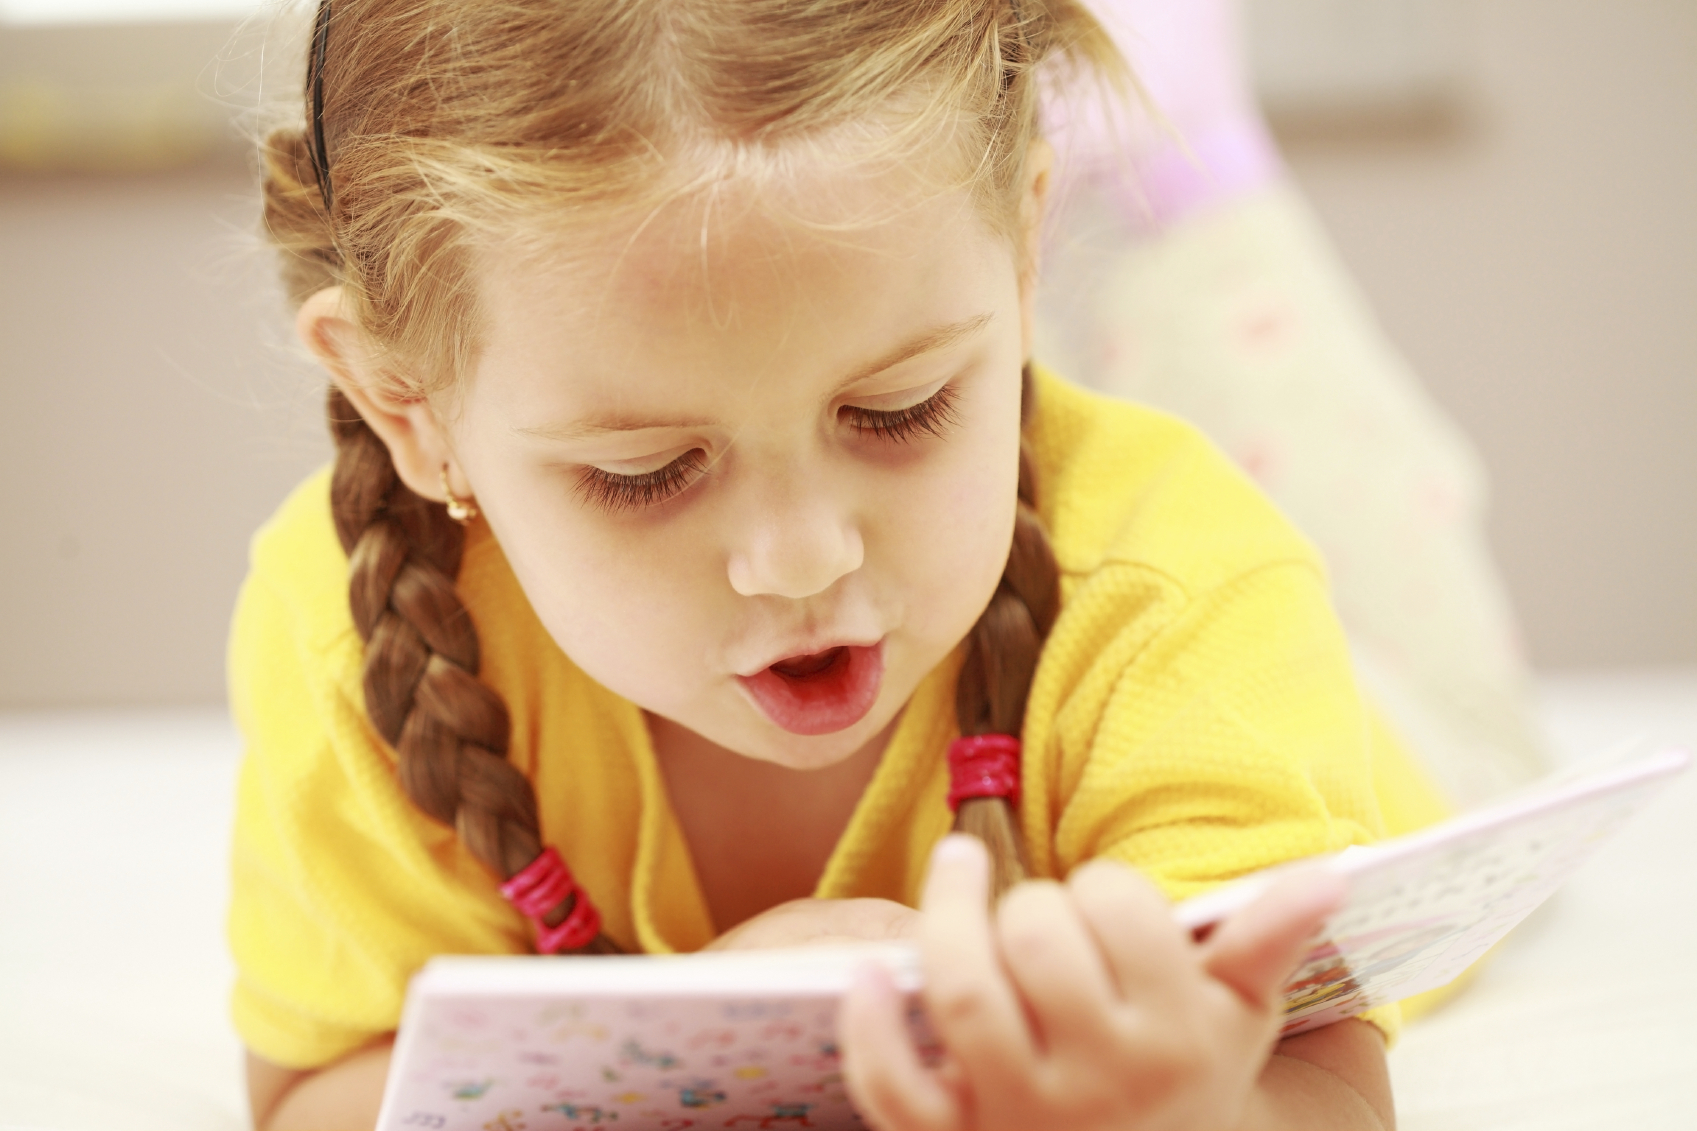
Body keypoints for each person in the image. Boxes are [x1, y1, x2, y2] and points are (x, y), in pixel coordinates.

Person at [232, 1, 1426, 1127]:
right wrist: (680, 1055)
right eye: (646, 472)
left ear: (1022, 245)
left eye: (898, 410)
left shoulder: (1185, 588)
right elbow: (317, 1093)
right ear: (405, 403)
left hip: (1376, 726)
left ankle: (1192, 149)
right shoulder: (350, 634)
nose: (802, 558)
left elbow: (1317, 1074)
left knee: (1393, 581)